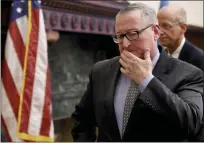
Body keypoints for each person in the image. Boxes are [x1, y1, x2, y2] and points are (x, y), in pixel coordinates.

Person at [71, 3, 203, 142]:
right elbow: (82, 118)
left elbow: (192, 124)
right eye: (120, 36)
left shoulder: (188, 74)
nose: (125, 44)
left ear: (155, 32)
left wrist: (146, 81)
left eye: (133, 34)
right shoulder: (101, 71)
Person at [157, 4, 204, 71]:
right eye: (157, 26)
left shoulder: (199, 59)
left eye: (166, 26)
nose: (159, 32)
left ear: (183, 28)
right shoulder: (159, 53)